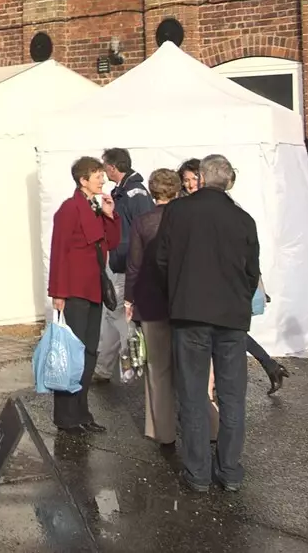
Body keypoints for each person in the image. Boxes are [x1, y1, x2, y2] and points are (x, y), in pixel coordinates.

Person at [156, 154, 260, 494]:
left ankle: (198, 471)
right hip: (231, 317)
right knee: (232, 396)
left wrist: (177, 293)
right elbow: (251, 272)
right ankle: (229, 469)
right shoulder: (243, 219)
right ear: (228, 181)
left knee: (192, 394)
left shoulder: (177, 211)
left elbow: (163, 260)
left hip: (190, 314)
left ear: (200, 178)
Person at [47, 156, 119, 435]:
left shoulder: (96, 208)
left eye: (102, 174)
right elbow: (59, 250)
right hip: (75, 290)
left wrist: (111, 215)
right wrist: (58, 292)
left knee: (89, 351)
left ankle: (81, 411)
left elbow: (111, 242)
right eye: (97, 175)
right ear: (83, 181)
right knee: (72, 354)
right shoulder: (69, 209)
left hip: (94, 289)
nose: (102, 179)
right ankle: (65, 415)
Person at [223, 165, 289, 395]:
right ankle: (270, 365)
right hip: (232, 281)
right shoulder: (231, 208)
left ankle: (268, 366)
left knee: (228, 330)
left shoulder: (230, 210)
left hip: (229, 281)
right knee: (231, 330)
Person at [126, 168, 180, 447]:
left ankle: (163, 431)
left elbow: (134, 266)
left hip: (151, 301)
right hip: (184, 301)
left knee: (158, 369)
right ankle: (210, 425)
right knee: (193, 369)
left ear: (152, 190)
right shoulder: (187, 219)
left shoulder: (143, 221)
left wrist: (129, 300)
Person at [95, 147, 154, 383]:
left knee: (121, 318)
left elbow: (146, 229)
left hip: (128, 266)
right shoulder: (121, 192)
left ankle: (137, 364)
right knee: (113, 315)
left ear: (112, 167)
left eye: (104, 166)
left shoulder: (135, 194)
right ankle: (104, 369)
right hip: (119, 263)